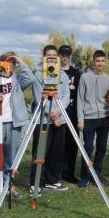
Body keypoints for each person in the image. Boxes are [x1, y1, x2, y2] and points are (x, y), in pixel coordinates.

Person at [0, 52, 35, 202]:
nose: (10, 65)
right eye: (7, 62)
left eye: (13, 63)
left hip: (14, 122)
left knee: (12, 156)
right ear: (0, 63)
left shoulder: (17, 80)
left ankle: (8, 184)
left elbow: (30, 78)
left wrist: (19, 61)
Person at [29, 45, 71, 192]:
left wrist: (58, 113)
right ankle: (35, 182)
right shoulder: (38, 75)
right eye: (49, 55)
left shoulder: (63, 75)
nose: (52, 57)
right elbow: (38, 98)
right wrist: (52, 115)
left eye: (54, 54)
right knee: (41, 152)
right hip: (44, 120)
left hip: (59, 120)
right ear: (44, 57)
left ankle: (51, 180)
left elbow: (66, 96)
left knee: (56, 152)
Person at [76, 49, 109, 189]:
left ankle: (96, 174)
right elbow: (80, 99)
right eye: (97, 61)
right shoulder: (85, 77)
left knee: (102, 147)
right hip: (89, 118)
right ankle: (84, 176)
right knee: (88, 147)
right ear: (93, 62)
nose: (100, 63)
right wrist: (81, 118)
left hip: (104, 117)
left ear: (105, 63)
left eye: (102, 61)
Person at [59, 44, 82, 184]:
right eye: (62, 55)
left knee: (72, 144)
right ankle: (56, 171)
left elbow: (79, 92)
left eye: (67, 55)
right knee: (58, 144)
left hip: (73, 112)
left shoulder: (76, 72)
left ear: (71, 56)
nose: (65, 58)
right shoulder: (53, 71)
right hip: (59, 112)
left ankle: (69, 172)